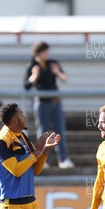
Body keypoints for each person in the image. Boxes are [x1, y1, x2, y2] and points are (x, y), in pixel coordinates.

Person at [24, 41, 74, 169]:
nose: (47, 54)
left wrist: (56, 71)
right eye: (44, 52)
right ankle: (44, 161)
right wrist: (34, 75)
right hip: (42, 103)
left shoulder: (53, 63)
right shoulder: (32, 65)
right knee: (43, 132)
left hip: (55, 102)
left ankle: (63, 159)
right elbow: (27, 85)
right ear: (38, 53)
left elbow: (64, 78)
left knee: (59, 130)